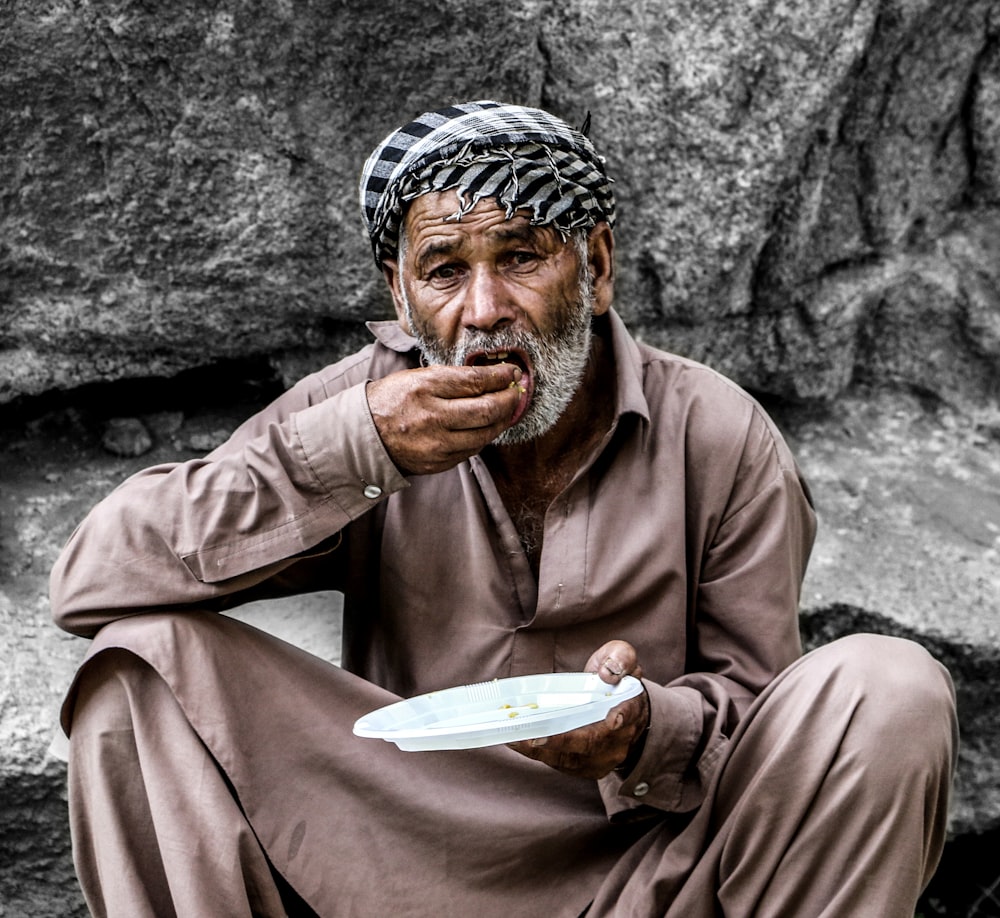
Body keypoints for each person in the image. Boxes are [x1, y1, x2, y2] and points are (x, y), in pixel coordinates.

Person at [51, 100, 957, 918]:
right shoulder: (366, 407)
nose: (485, 311)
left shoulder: (719, 435)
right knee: (138, 670)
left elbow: (765, 717)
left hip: (651, 873)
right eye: (444, 271)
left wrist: (643, 729)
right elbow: (92, 579)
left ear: (594, 269)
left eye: (520, 256)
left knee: (890, 687)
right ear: (401, 299)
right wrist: (357, 453)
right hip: (393, 855)